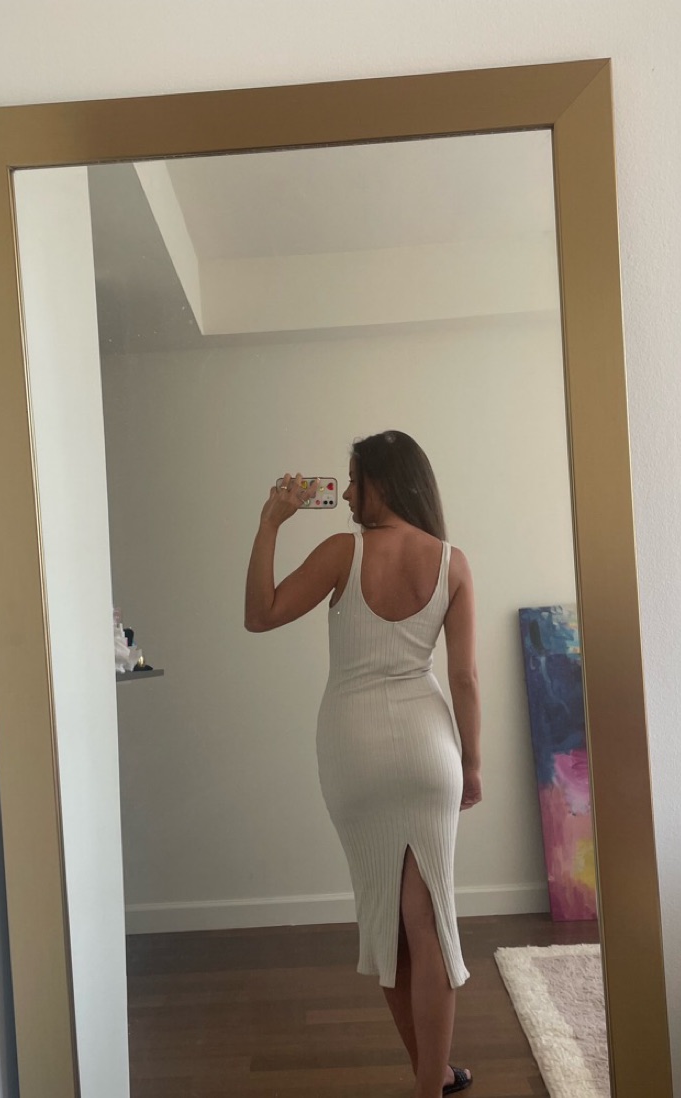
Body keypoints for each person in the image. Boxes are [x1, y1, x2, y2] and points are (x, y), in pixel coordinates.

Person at [245, 430, 482, 1098]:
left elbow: (259, 614)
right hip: (429, 747)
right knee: (429, 922)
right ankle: (432, 1082)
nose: (346, 493)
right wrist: (473, 764)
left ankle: (430, 1077)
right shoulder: (452, 562)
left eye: (354, 479)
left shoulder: (340, 553)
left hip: (354, 750)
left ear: (383, 480)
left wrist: (270, 523)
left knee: (387, 924)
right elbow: (464, 678)